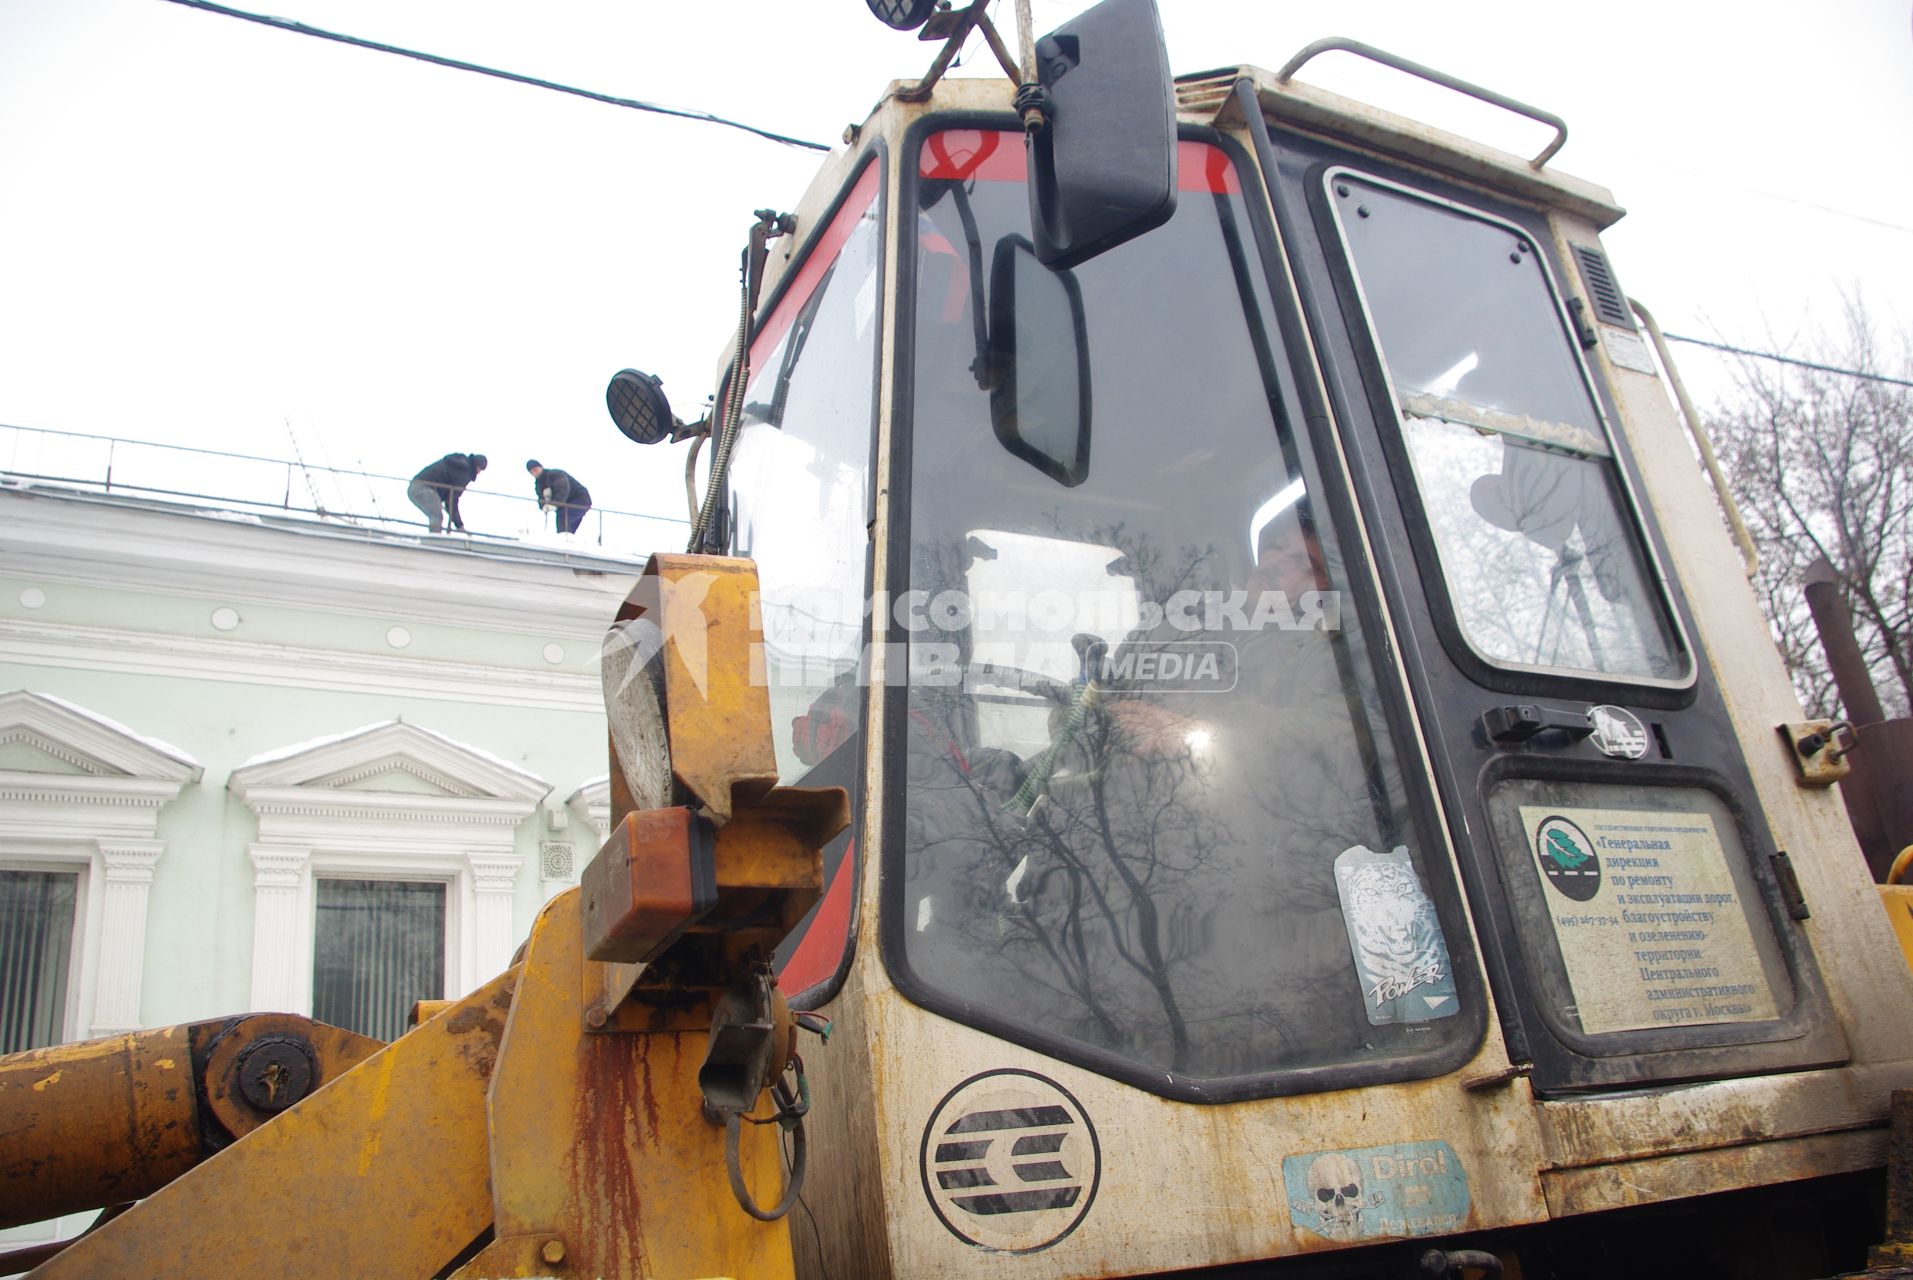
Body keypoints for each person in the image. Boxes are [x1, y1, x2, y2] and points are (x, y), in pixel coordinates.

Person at [408, 453, 487, 533]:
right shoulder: (465, 472)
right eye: (481, 469)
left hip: (416, 485)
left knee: (437, 513)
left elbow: (450, 499)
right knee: (437, 515)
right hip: (425, 487)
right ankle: (434, 541)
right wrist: (459, 524)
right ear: (477, 467)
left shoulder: (459, 464)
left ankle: (435, 539)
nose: (479, 473)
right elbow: (452, 499)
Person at [526, 460, 592, 535]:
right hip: (564, 504)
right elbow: (541, 498)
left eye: (536, 469)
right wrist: (543, 506)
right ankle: (567, 540)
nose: (535, 472)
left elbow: (563, 489)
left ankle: (565, 539)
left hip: (581, 498)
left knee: (563, 518)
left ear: (541, 467)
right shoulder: (539, 485)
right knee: (564, 524)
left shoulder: (555, 474)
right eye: (532, 472)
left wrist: (554, 504)